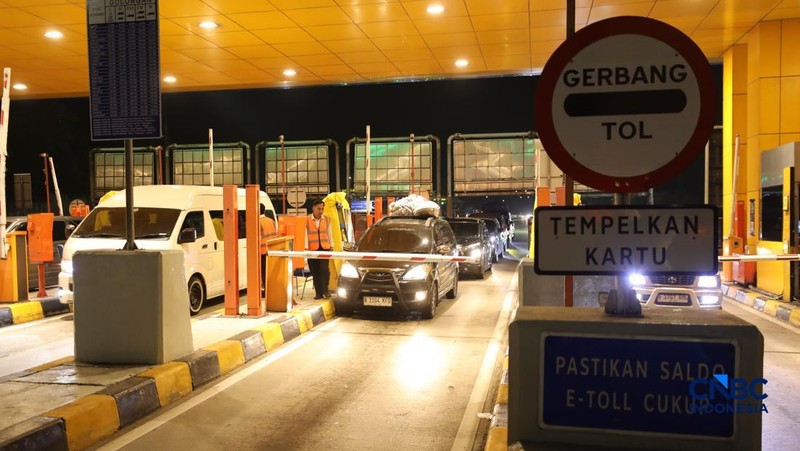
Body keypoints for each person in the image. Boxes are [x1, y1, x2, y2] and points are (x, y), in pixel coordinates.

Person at [306, 199, 332, 299]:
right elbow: (304, 234)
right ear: (313, 208)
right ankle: (319, 293)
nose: (321, 211)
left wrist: (331, 245)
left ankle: (326, 290)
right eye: (318, 209)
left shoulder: (327, 219)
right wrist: (305, 249)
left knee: (324, 270)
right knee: (315, 271)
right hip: (312, 249)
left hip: (324, 247)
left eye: (322, 209)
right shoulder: (307, 220)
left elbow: (329, 233)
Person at [259, 204, 277, 296]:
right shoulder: (271, 221)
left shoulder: (258, 222)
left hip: (262, 251)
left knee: (264, 272)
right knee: (270, 272)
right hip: (272, 250)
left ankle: (266, 290)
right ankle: (272, 289)